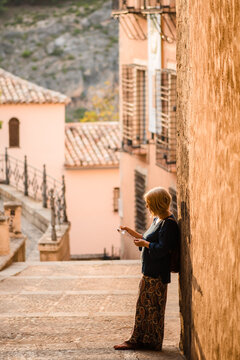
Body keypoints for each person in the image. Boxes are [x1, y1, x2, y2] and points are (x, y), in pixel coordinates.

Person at [114, 187, 179, 351]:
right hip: (149, 271)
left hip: (157, 274)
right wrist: (131, 232)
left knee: (152, 309)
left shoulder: (169, 224)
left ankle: (146, 341)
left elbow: (163, 249)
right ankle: (141, 340)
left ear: (157, 204)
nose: (147, 206)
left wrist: (145, 244)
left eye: (149, 203)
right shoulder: (158, 220)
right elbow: (146, 239)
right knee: (143, 307)